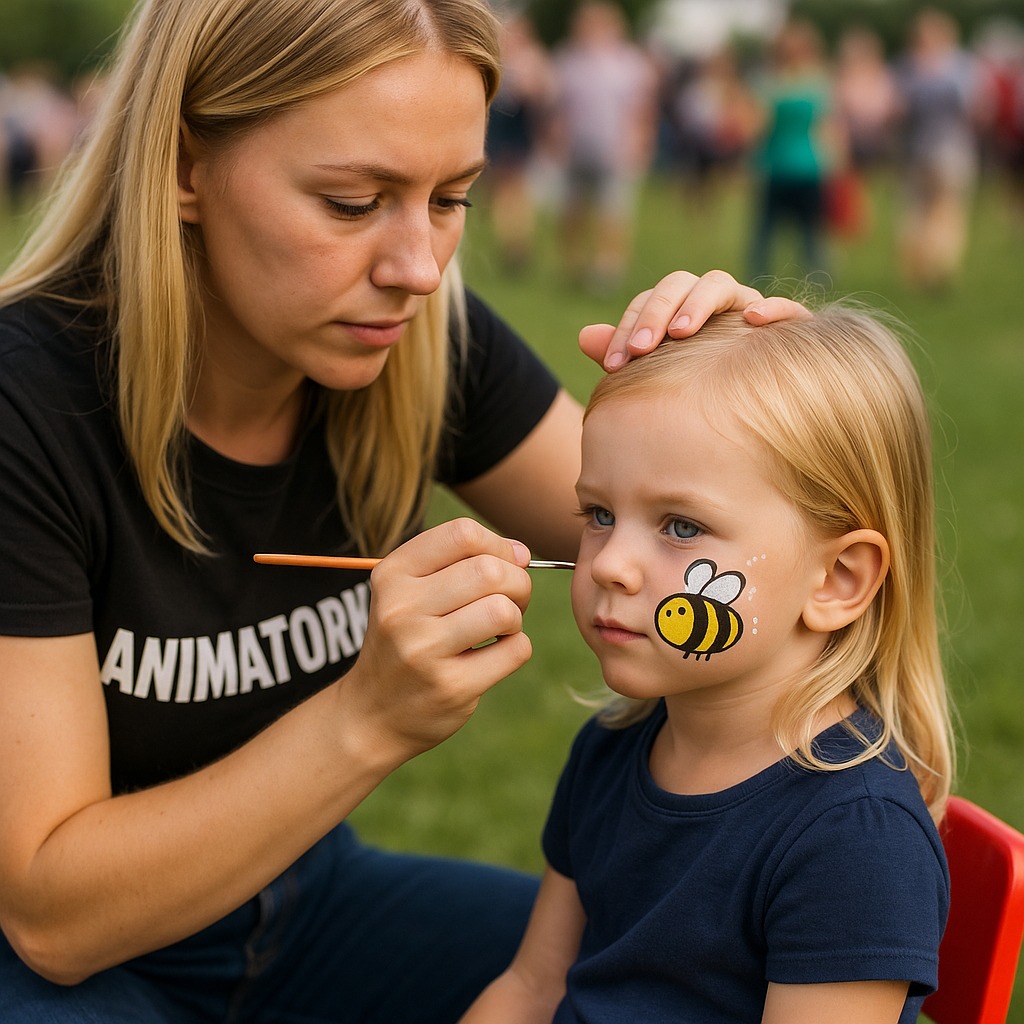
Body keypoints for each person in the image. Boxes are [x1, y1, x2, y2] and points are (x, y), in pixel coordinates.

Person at [0, 0, 808, 1020]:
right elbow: (54, 918)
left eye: (451, 198)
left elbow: (689, 565)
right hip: (62, 965)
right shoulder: (27, 403)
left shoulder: (422, 344)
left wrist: (764, 438)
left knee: (689, 975)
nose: (418, 270)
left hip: (305, 903)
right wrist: (367, 718)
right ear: (186, 166)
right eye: (352, 203)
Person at [461, 306, 953, 1023]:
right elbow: (534, 988)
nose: (612, 564)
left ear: (837, 580)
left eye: (682, 526)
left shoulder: (854, 841)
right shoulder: (613, 748)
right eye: (599, 514)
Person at [549, 0, 659, 291]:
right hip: (576, 149)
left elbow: (643, 108)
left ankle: (607, 269)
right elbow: (559, 107)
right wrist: (556, 138)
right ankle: (572, 265)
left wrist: (640, 142)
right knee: (572, 211)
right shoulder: (568, 60)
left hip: (615, 150)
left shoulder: (629, 63)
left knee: (612, 211)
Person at [748, 20, 840, 284]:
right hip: (809, 165)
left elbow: (758, 127)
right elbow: (828, 128)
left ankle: (758, 280)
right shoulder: (818, 83)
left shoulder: (770, 84)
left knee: (765, 232)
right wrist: (835, 163)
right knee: (811, 231)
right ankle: (819, 279)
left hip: (777, 165)